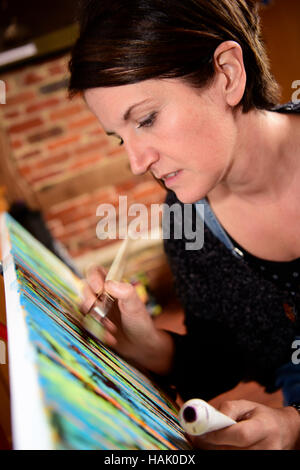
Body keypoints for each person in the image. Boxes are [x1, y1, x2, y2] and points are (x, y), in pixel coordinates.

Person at [68, 0, 300, 449]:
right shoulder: (189, 224)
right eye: (120, 137)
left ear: (228, 74)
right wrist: (146, 343)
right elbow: (223, 356)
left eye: (147, 119)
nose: (136, 163)